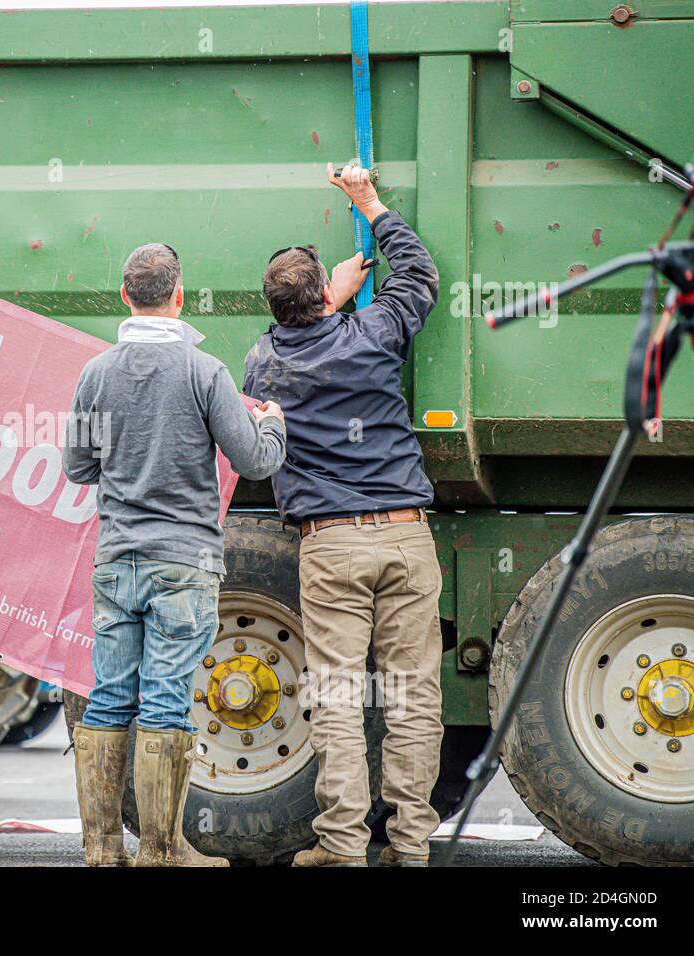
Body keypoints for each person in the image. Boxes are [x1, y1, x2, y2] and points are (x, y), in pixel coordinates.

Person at [243, 162, 444, 867]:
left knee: (335, 696)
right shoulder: (372, 332)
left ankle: (342, 846)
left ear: (273, 306)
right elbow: (419, 278)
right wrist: (370, 205)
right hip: (405, 537)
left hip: (329, 547)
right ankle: (411, 844)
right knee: (413, 694)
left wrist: (328, 299)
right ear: (325, 294)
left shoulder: (263, 363)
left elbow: (295, 347)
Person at [62, 242, 286, 867]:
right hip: (183, 564)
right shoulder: (205, 373)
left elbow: (78, 466)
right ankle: (163, 852)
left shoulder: (95, 374)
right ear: (179, 295)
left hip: (117, 563)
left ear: (124, 295)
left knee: (108, 698)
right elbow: (255, 461)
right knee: (164, 703)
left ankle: (103, 852)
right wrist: (273, 422)